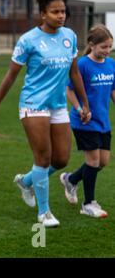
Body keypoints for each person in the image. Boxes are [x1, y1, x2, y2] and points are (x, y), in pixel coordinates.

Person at [0, 0, 91, 228]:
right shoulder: (28, 40)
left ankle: (26, 181)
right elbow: (11, 75)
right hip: (33, 104)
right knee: (43, 156)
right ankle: (44, 213)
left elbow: (74, 74)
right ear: (43, 14)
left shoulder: (70, 37)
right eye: (55, 11)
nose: (60, 15)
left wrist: (84, 105)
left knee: (61, 159)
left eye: (63, 11)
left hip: (58, 105)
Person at [60, 24, 114, 218]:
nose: (107, 51)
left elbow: (113, 90)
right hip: (84, 121)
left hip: (103, 121)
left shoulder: (111, 63)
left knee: (102, 162)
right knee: (93, 161)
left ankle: (71, 179)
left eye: (110, 47)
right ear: (92, 45)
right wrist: (79, 108)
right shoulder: (82, 64)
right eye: (103, 47)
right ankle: (88, 203)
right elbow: (70, 90)